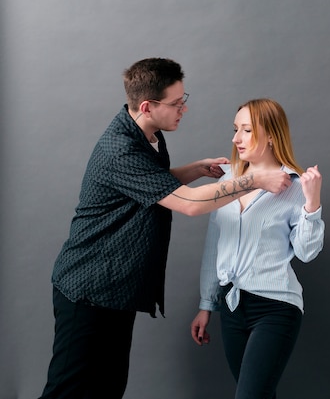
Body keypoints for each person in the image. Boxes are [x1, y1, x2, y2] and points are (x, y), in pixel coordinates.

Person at [40, 58, 292, 399]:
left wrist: (193, 170)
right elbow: (189, 204)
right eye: (176, 104)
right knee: (68, 391)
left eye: (183, 100)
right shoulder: (121, 148)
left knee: (107, 389)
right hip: (86, 289)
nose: (183, 110)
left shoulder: (148, 135)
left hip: (115, 291)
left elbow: (149, 186)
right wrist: (254, 180)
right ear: (147, 106)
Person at [190, 98, 324, 399]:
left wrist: (312, 204)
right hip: (231, 306)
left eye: (247, 130)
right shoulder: (227, 181)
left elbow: (306, 252)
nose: (236, 138)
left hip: (275, 306)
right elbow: (215, 245)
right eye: (236, 129)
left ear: (272, 135)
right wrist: (206, 305)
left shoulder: (295, 184)